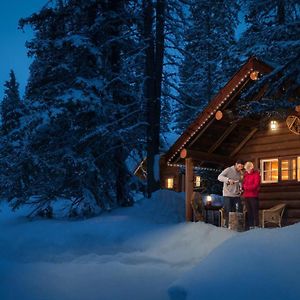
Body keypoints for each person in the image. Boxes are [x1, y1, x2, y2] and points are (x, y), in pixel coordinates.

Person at [218, 160, 244, 227]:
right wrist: (228, 180)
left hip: (237, 195)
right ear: (236, 164)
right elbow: (219, 177)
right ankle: (228, 226)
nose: (240, 168)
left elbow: (240, 182)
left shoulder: (240, 172)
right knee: (228, 211)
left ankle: (237, 226)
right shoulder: (229, 170)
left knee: (239, 209)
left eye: (241, 167)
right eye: (239, 166)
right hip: (227, 194)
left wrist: (241, 188)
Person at [242, 161, 261, 229]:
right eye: (246, 169)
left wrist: (246, 187)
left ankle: (256, 225)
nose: (247, 170)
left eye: (248, 168)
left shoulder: (256, 174)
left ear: (251, 168)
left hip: (253, 196)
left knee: (254, 211)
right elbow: (243, 184)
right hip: (246, 196)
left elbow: (256, 185)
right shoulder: (246, 175)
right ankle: (251, 225)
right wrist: (244, 187)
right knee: (249, 211)